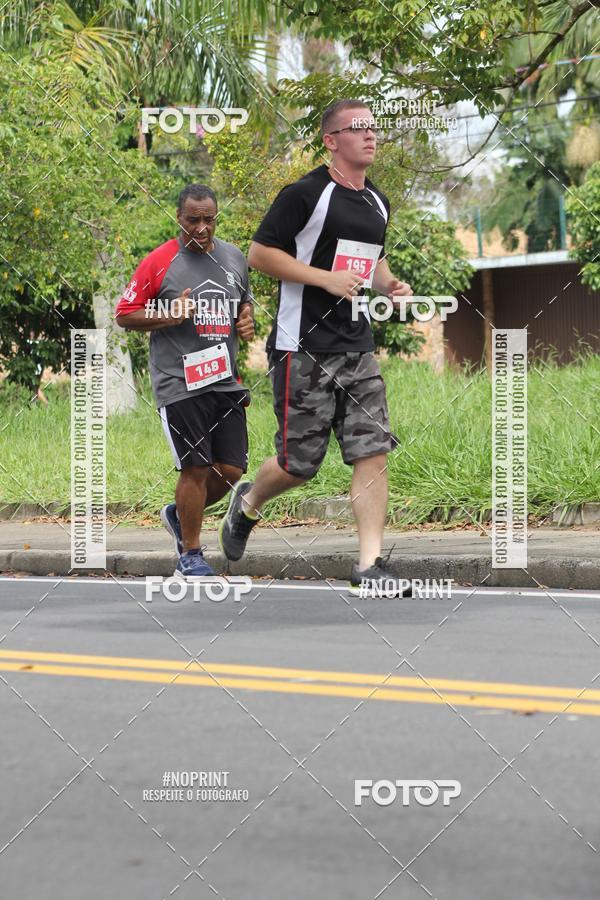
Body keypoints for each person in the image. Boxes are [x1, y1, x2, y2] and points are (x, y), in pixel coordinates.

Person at [218, 99, 413, 596]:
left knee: (371, 452)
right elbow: (260, 254)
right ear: (331, 140)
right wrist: (325, 279)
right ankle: (247, 504)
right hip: (300, 346)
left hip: (357, 345)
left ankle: (369, 565)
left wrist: (389, 286)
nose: (371, 136)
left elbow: (374, 257)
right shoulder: (305, 194)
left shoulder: (377, 200)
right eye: (359, 129)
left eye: (374, 128)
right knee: (298, 464)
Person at [115, 184, 254, 578]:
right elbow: (125, 314)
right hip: (179, 380)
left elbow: (243, 303)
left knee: (230, 470)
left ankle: (180, 515)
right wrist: (170, 315)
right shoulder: (160, 261)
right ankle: (190, 554)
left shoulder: (234, 257)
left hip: (224, 379)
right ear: (179, 218)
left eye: (208, 219)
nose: (202, 228)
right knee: (195, 467)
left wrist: (246, 321)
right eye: (193, 220)